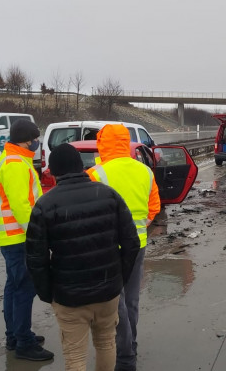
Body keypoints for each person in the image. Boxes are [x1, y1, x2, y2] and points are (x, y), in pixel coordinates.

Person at [26, 144, 140, 371]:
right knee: (107, 343)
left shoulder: (45, 204)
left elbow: (35, 258)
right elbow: (132, 243)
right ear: (82, 167)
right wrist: (118, 279)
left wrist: (49, 294)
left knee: (75, 357)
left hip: (69, 295)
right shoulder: (108, 195)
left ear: (55, 171)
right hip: (107, 291)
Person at [87, 124, 161, 371]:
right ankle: (132, 343)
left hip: (108, 249)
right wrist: (138, 228)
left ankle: (126, 354)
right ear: (126, 142)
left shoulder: (95, 174)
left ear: (103, 142)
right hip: (138, 244)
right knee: (131, 300)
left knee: (114, 304)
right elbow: (154, 208)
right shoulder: (145, 171)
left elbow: (89, 216)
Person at [0, 119, 54, 361]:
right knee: (24, 289)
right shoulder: (16, 164)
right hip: (19, 236)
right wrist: (37, 236)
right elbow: (21, 206)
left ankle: (15, 335)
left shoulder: (13, 159)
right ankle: (23, 342)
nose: (37, 143)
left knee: (14, 287)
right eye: (35, 139)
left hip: (12, 236)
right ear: (27, 140)